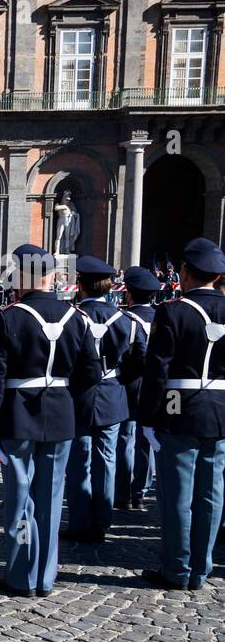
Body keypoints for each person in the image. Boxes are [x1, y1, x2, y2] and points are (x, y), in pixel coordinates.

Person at [0, 244, 102, 597]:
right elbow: (92, 373)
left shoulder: (8, 318)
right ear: (51, 276)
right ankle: (45, 577)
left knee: (20, 501)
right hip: (60, 414)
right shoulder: (76, 317)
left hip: (18, 416)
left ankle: (20, 574)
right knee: (50, 500)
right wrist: (68, 403)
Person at [136, 238, 225, 590]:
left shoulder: (172, 310)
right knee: (211, 492)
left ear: (185, 272)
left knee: (176, 493)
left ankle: (177, 567)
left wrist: (147, 417)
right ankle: (201, 568)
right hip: (220, 409)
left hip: (178, 403)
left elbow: (157, 370)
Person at [63, 256, 133, 545]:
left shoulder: (73, 317)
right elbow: (137, 358)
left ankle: (80, 521)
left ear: (81, 285)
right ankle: (101, 520)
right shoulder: (126, 320)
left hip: (79, 394)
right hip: (111, 393)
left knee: (79, 460)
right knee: (106, 460)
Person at [115, 266, 160, 511]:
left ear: (129, 293)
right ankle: (140, 490)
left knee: (125, 436)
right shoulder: (163, 316)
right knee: (147, 439)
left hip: (129, 383)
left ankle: (121, 492)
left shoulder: (125, 319)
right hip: (154, 385)